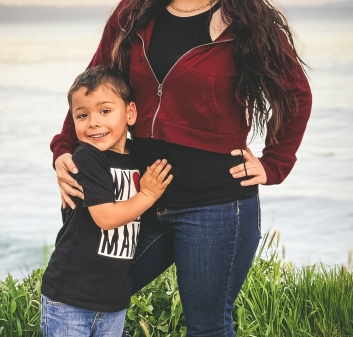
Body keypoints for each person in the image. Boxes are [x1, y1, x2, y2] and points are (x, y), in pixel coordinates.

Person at [51, 0, 312, 335]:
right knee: (82, 290)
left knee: (207, 326)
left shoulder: (244, 19)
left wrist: (275, 162)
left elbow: (296, 93)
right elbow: (93, 88)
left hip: (215, 207)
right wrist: (64, 150)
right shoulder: (134, 12)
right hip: (141, 198)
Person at [41, 65, 173, 337]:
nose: (93, 122)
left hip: (112, 301)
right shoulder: (87, 159)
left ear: (131, 112)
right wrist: (147, 194)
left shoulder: (137, 157)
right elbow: (106, 217)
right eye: (82, 115)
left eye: (105, 111)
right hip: (70, 297)